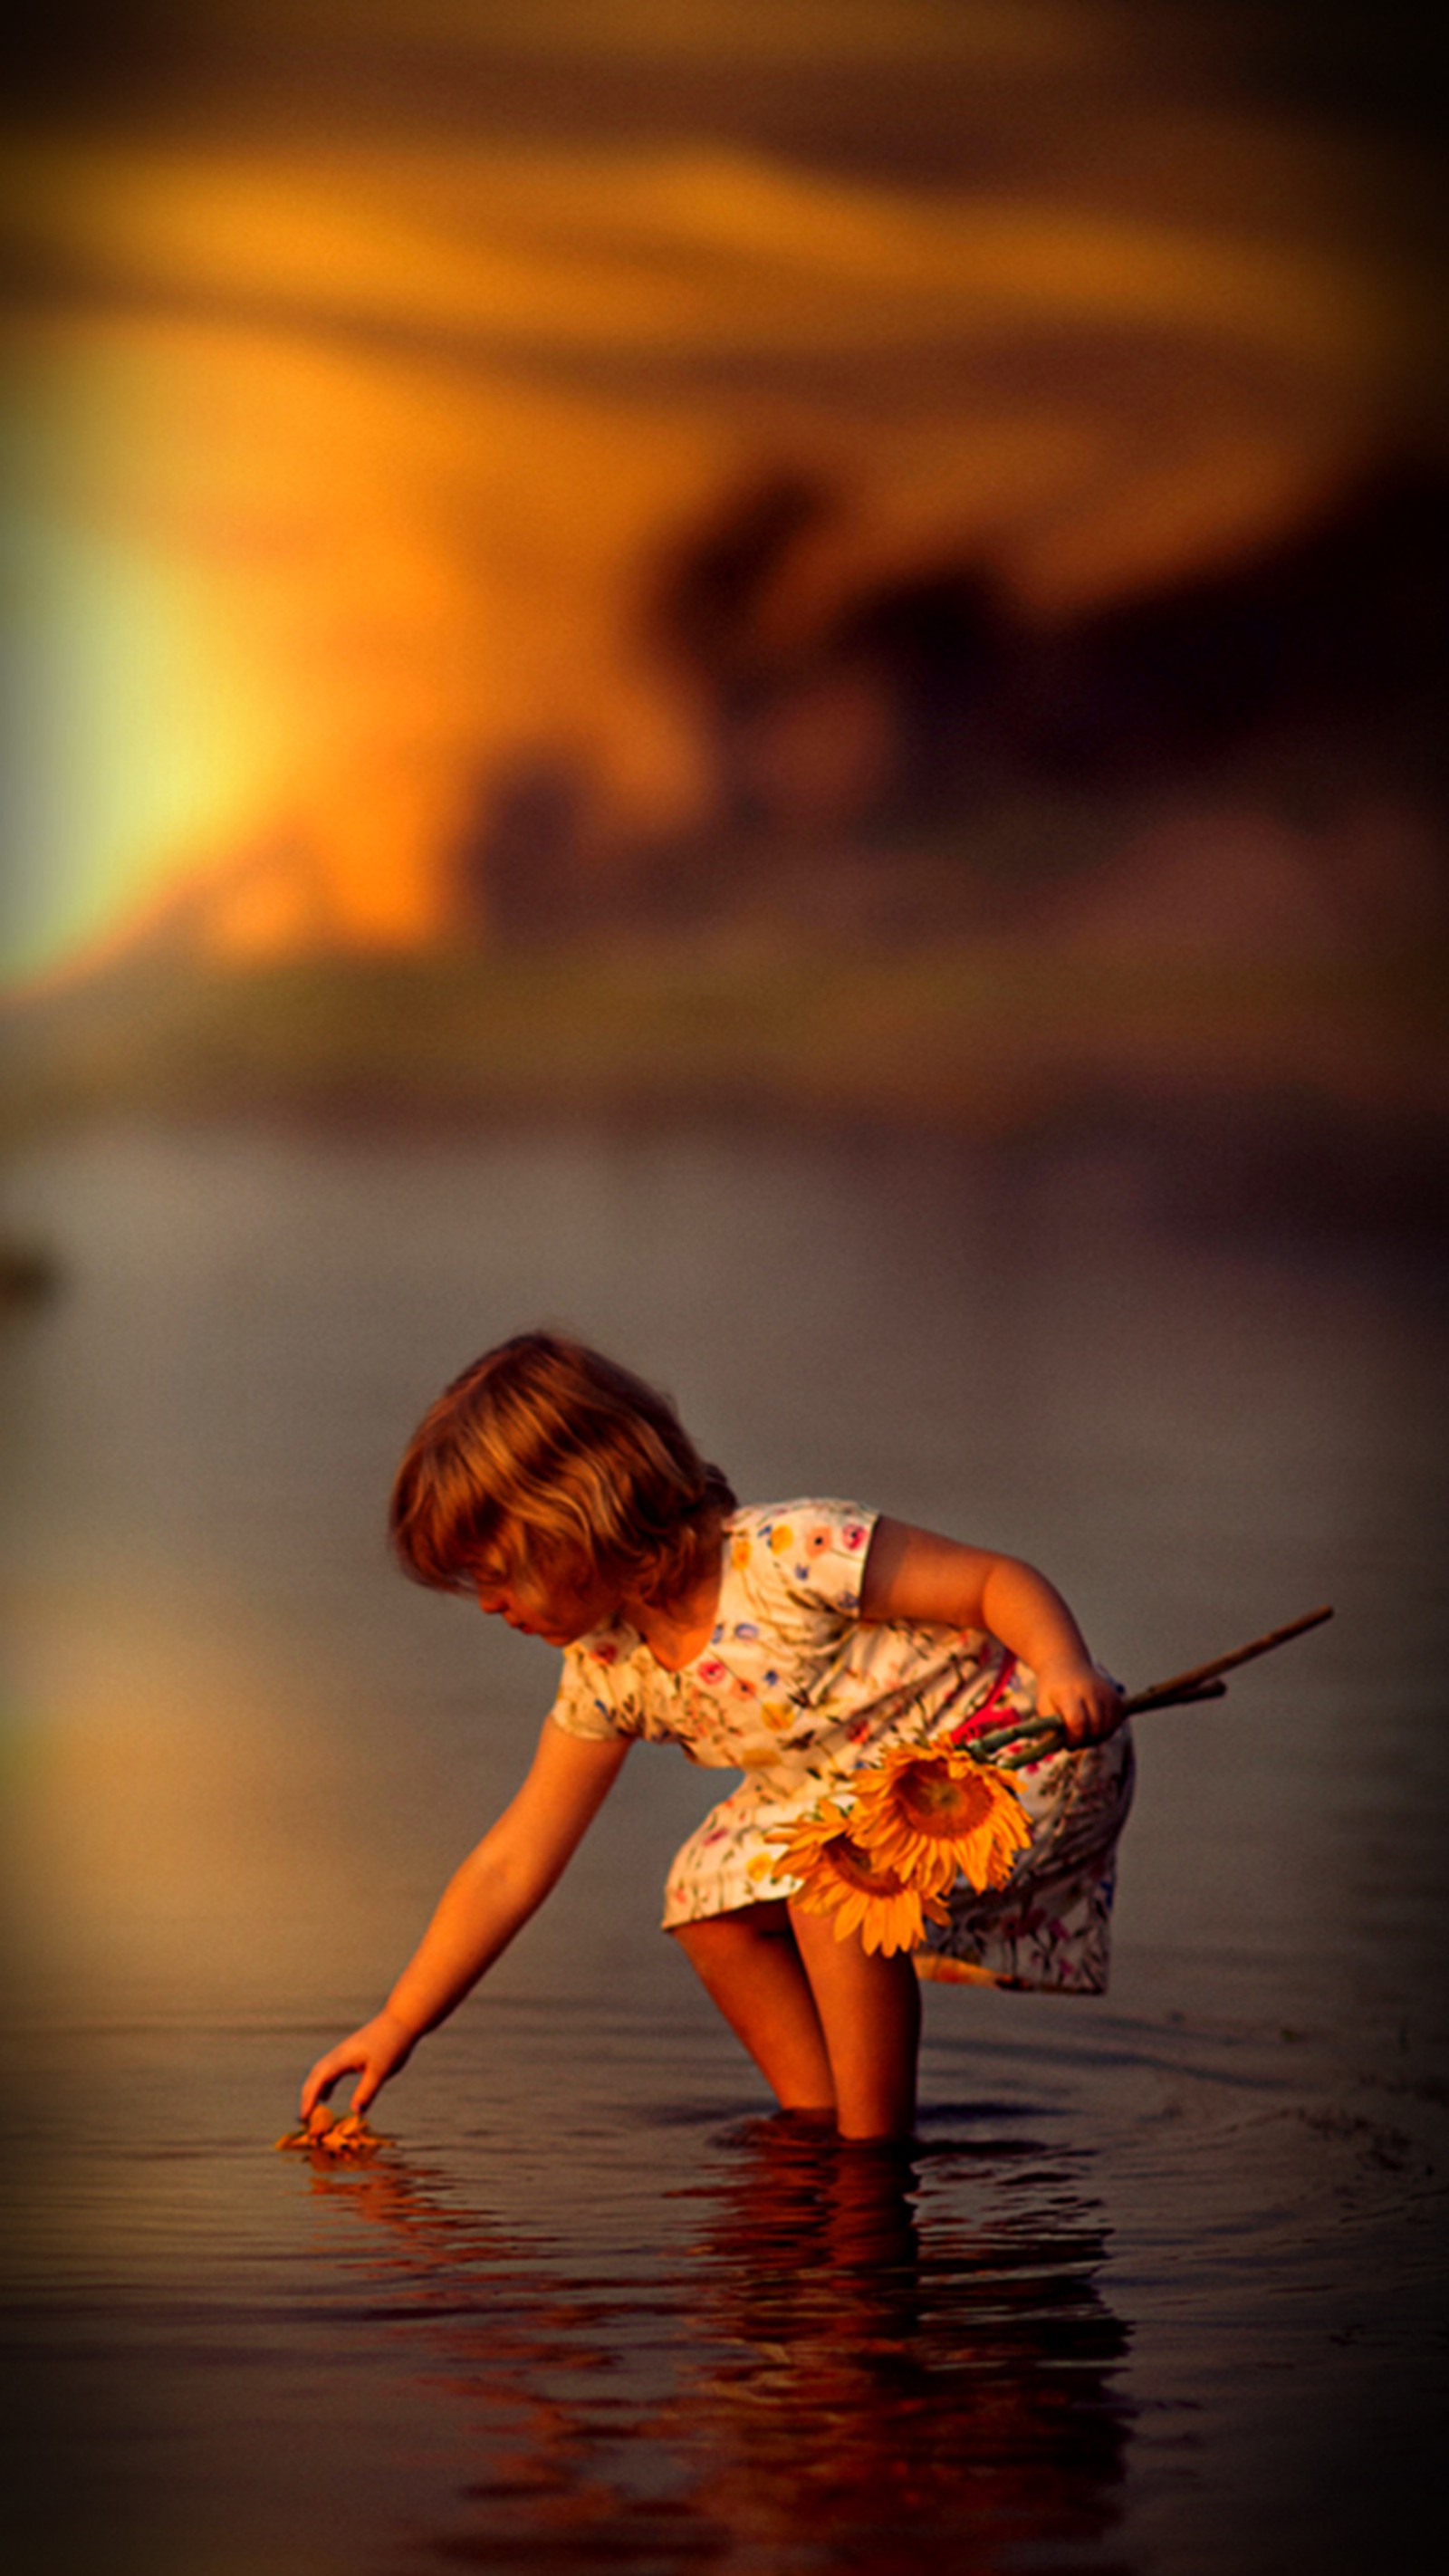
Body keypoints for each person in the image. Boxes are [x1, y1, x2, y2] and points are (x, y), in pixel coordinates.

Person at [300, 1331, 1132, 2144]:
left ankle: (874, 2161)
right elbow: (513, 1859)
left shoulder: (793, 1555)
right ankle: (819, 2124)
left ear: (575, 1520)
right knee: (706, 1898)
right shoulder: (608, 1665)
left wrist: (1064, 1666)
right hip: (844, 1799)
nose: (487, 1605)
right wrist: (401, 2020)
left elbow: (994, 1582)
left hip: (1014, 1756)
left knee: (832, 1887)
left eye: (494, 1575)